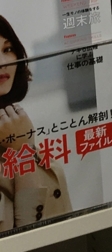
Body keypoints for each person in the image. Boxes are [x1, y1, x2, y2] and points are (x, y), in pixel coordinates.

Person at [0, 16, 71, 230]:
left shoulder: (13, 124)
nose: (3, 62)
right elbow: (26, 235)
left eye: (7, 49)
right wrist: (22, 150)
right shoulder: (16, 135)